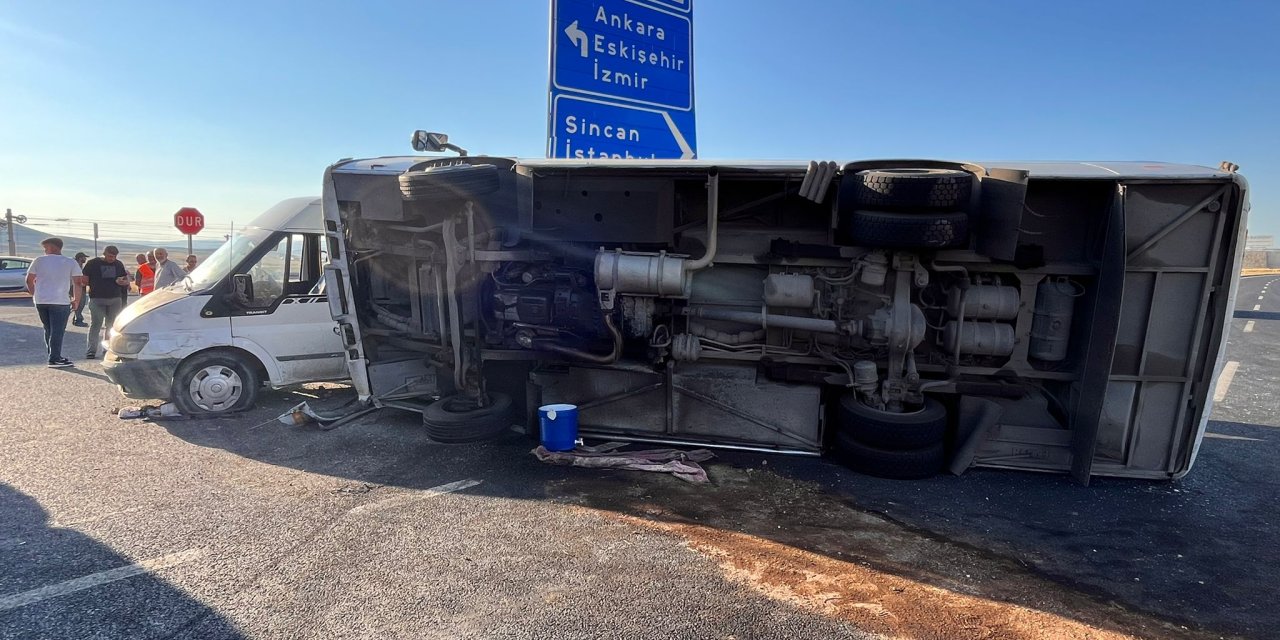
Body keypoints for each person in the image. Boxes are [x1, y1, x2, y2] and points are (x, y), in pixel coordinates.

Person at [25, 237, 83, 367]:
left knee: (48, 329)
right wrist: (76, 300)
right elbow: (78, 283)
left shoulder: (38, 261)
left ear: (53, 247)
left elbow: (29, 280)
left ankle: (53, 355)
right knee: (58, 330)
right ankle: (54, 359)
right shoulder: (70, 262)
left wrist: (34, 293)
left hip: (41, 301)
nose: (45, 251)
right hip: (60, 301)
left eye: (46, 248)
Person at [82, 245, 130, 360]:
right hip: (97, 298)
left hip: (115, 298)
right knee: (96, 324)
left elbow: (124, 279)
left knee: (111, 325)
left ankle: (108, 349)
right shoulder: (93, 263)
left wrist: (123, 282)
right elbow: (84, 280)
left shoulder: (118, 264)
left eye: (114, 256)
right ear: (104, 254)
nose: (112, 259)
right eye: (110, 256)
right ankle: (91, 351)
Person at [71, 252, 89, 326]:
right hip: (75, 286)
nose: (85, 259)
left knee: (80, 303)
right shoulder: (75, 265)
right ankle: (78, 320)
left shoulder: (79, 265)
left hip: (78, 286)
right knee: (80, 303)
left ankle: (77, 318)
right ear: (80, 258)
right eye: (84, 257)